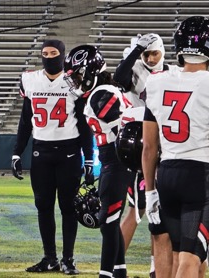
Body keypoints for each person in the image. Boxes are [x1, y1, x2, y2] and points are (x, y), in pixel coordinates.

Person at [142, 16, 209, 278]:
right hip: (198, 179)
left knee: (174, 253)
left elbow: (149, 147)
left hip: (166, 176)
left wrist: (150, 191)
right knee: (189, 258)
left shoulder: (157, 82)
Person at [10, 40, 93, 275]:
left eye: (53, 53)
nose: (48, 57)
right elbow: (26, 121)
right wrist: (17, 151)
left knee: (68, 208)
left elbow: (85, 124)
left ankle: (68, 259)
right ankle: (50, 258)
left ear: (63, 55)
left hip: (68, 151)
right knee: (43, 207)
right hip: (41, 151)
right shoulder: (30, 79)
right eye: (44, 53)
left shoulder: (74, 82)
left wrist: (89, 157)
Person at [63, 45, 134, 278]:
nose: (75, 81)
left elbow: (127, 128)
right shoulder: (102, 91)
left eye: (78, 75)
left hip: (117, 161)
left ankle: (106, 274)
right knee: (109, 223)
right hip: (112, 162)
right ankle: (119, 272)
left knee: (109, 222)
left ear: (91, 71)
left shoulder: (101, 95)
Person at [114, 32, 177, 278]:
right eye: (146, 53)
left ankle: (155, 268)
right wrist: (134, 52)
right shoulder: (135, 67)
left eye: (155, 53)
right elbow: (120, 79)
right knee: (138, 209)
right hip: (137, 147)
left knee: (159, 212)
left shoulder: (172, 71)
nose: (151, 58)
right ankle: (114, 265)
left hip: (165, 144)